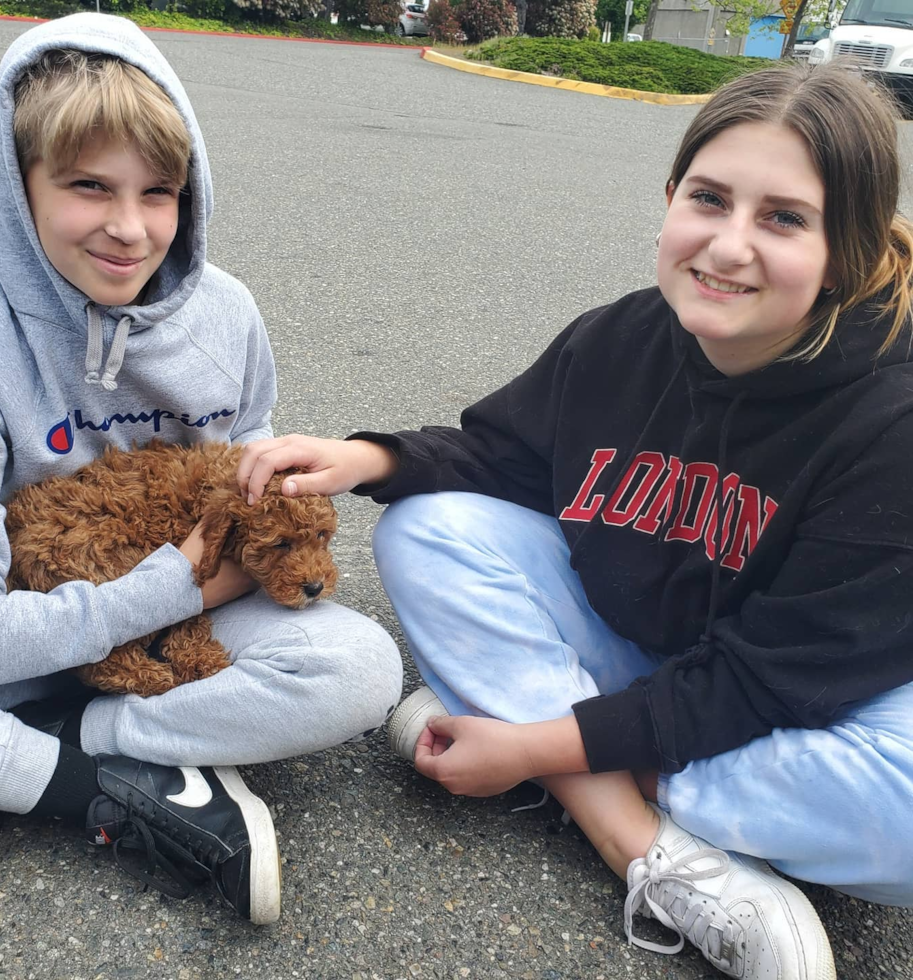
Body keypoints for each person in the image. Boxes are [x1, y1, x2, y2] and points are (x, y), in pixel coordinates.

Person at [236, 62, 913, 977]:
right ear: (670, 198)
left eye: (785, 219)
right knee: (422, 527)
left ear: (849, 250)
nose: (728, 246)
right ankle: (631, 829)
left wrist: (528, 746)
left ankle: (547, 748)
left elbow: (765, 686)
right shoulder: (623, 335)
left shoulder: (891, 420)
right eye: (710, 199)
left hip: (802, 699)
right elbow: (509, 457)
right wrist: (371, 460)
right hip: (655, 653)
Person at [0, 13, 402, 925]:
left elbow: (247, 482)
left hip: (195, 602)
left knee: (358, 668)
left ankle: (69, 746)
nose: (128, 228)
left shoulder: (227, 316)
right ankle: (97, 786)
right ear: (18, 183)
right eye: (88, 185)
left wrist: (232, 555)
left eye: (159, 192)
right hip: (15, 634)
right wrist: (161, 592)